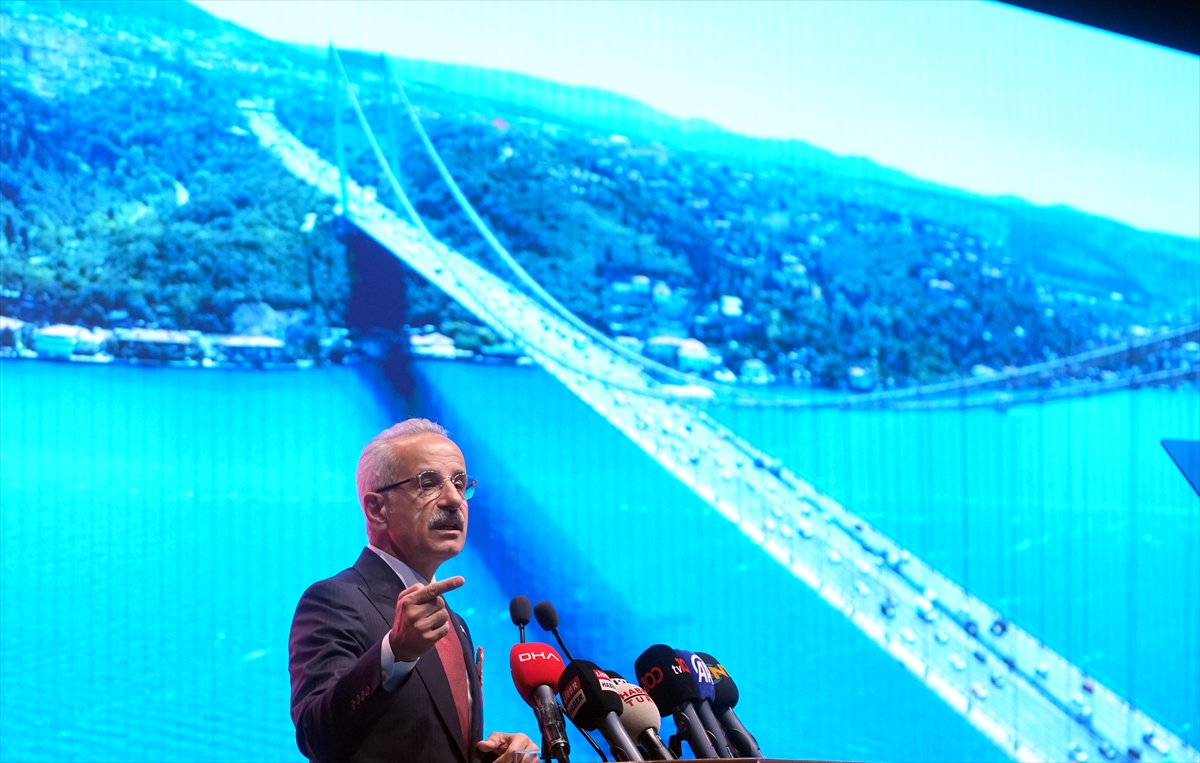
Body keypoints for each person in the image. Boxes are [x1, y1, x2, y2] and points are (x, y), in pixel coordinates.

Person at [289, 418, 538, 763]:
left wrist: (494, 755)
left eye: (460, 483)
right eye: (428, 483)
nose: (454, 499)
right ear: (377, 509)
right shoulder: (335, 601)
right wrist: (396, 652)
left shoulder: (455, 624)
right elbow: (317, 737)